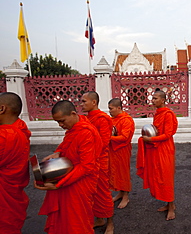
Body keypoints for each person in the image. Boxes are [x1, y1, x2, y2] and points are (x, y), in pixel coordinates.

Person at [36, 100, 103, 234]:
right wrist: (57, 152)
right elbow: (68, 143)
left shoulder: (86, 132)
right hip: (70, 177)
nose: (60, 125)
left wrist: (59, 184)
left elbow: (87, 166)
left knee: (78, 223)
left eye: (62, 121)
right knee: (65, 220)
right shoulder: (75, 128)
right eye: (58, 122)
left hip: (80, 183)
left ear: (73, 114)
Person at [136, 90, 178, 220]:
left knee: (166, 178)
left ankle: (171, 207)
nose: (152, 100)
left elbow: (168, 134)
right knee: (158, 176)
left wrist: (151, 140)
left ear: (163, 100)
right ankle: (167, 203)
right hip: (156, 149)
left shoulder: (168, 114)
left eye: (155, 98)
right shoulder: (157, 114)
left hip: (165, 150)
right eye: (152, 98)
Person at [81, 91, 114, 233]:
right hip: (88, 161)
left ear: (94, 102)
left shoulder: (103, 119)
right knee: (92, 192)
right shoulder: (85, 119)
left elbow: (104, 142)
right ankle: (99, 219)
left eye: (84, 101)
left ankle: (110, 222)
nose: (81, 104)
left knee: (103, 192)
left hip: (100, 160)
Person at [0, 92, 31, 234]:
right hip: (11, 193)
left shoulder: (7, 136)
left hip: (5, 200)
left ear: (2, 109)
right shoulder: (20, 129)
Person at [108, 98, 135, 208]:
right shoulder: (113, 119)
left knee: (123, 172)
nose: (109, 111)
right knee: (115, 172)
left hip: (122, 150)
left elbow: (124, 137)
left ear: (119, 108)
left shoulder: (126, 120)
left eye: (111, 109)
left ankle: (126, 196)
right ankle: (120, 192)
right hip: (112, 150)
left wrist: (108, 138)